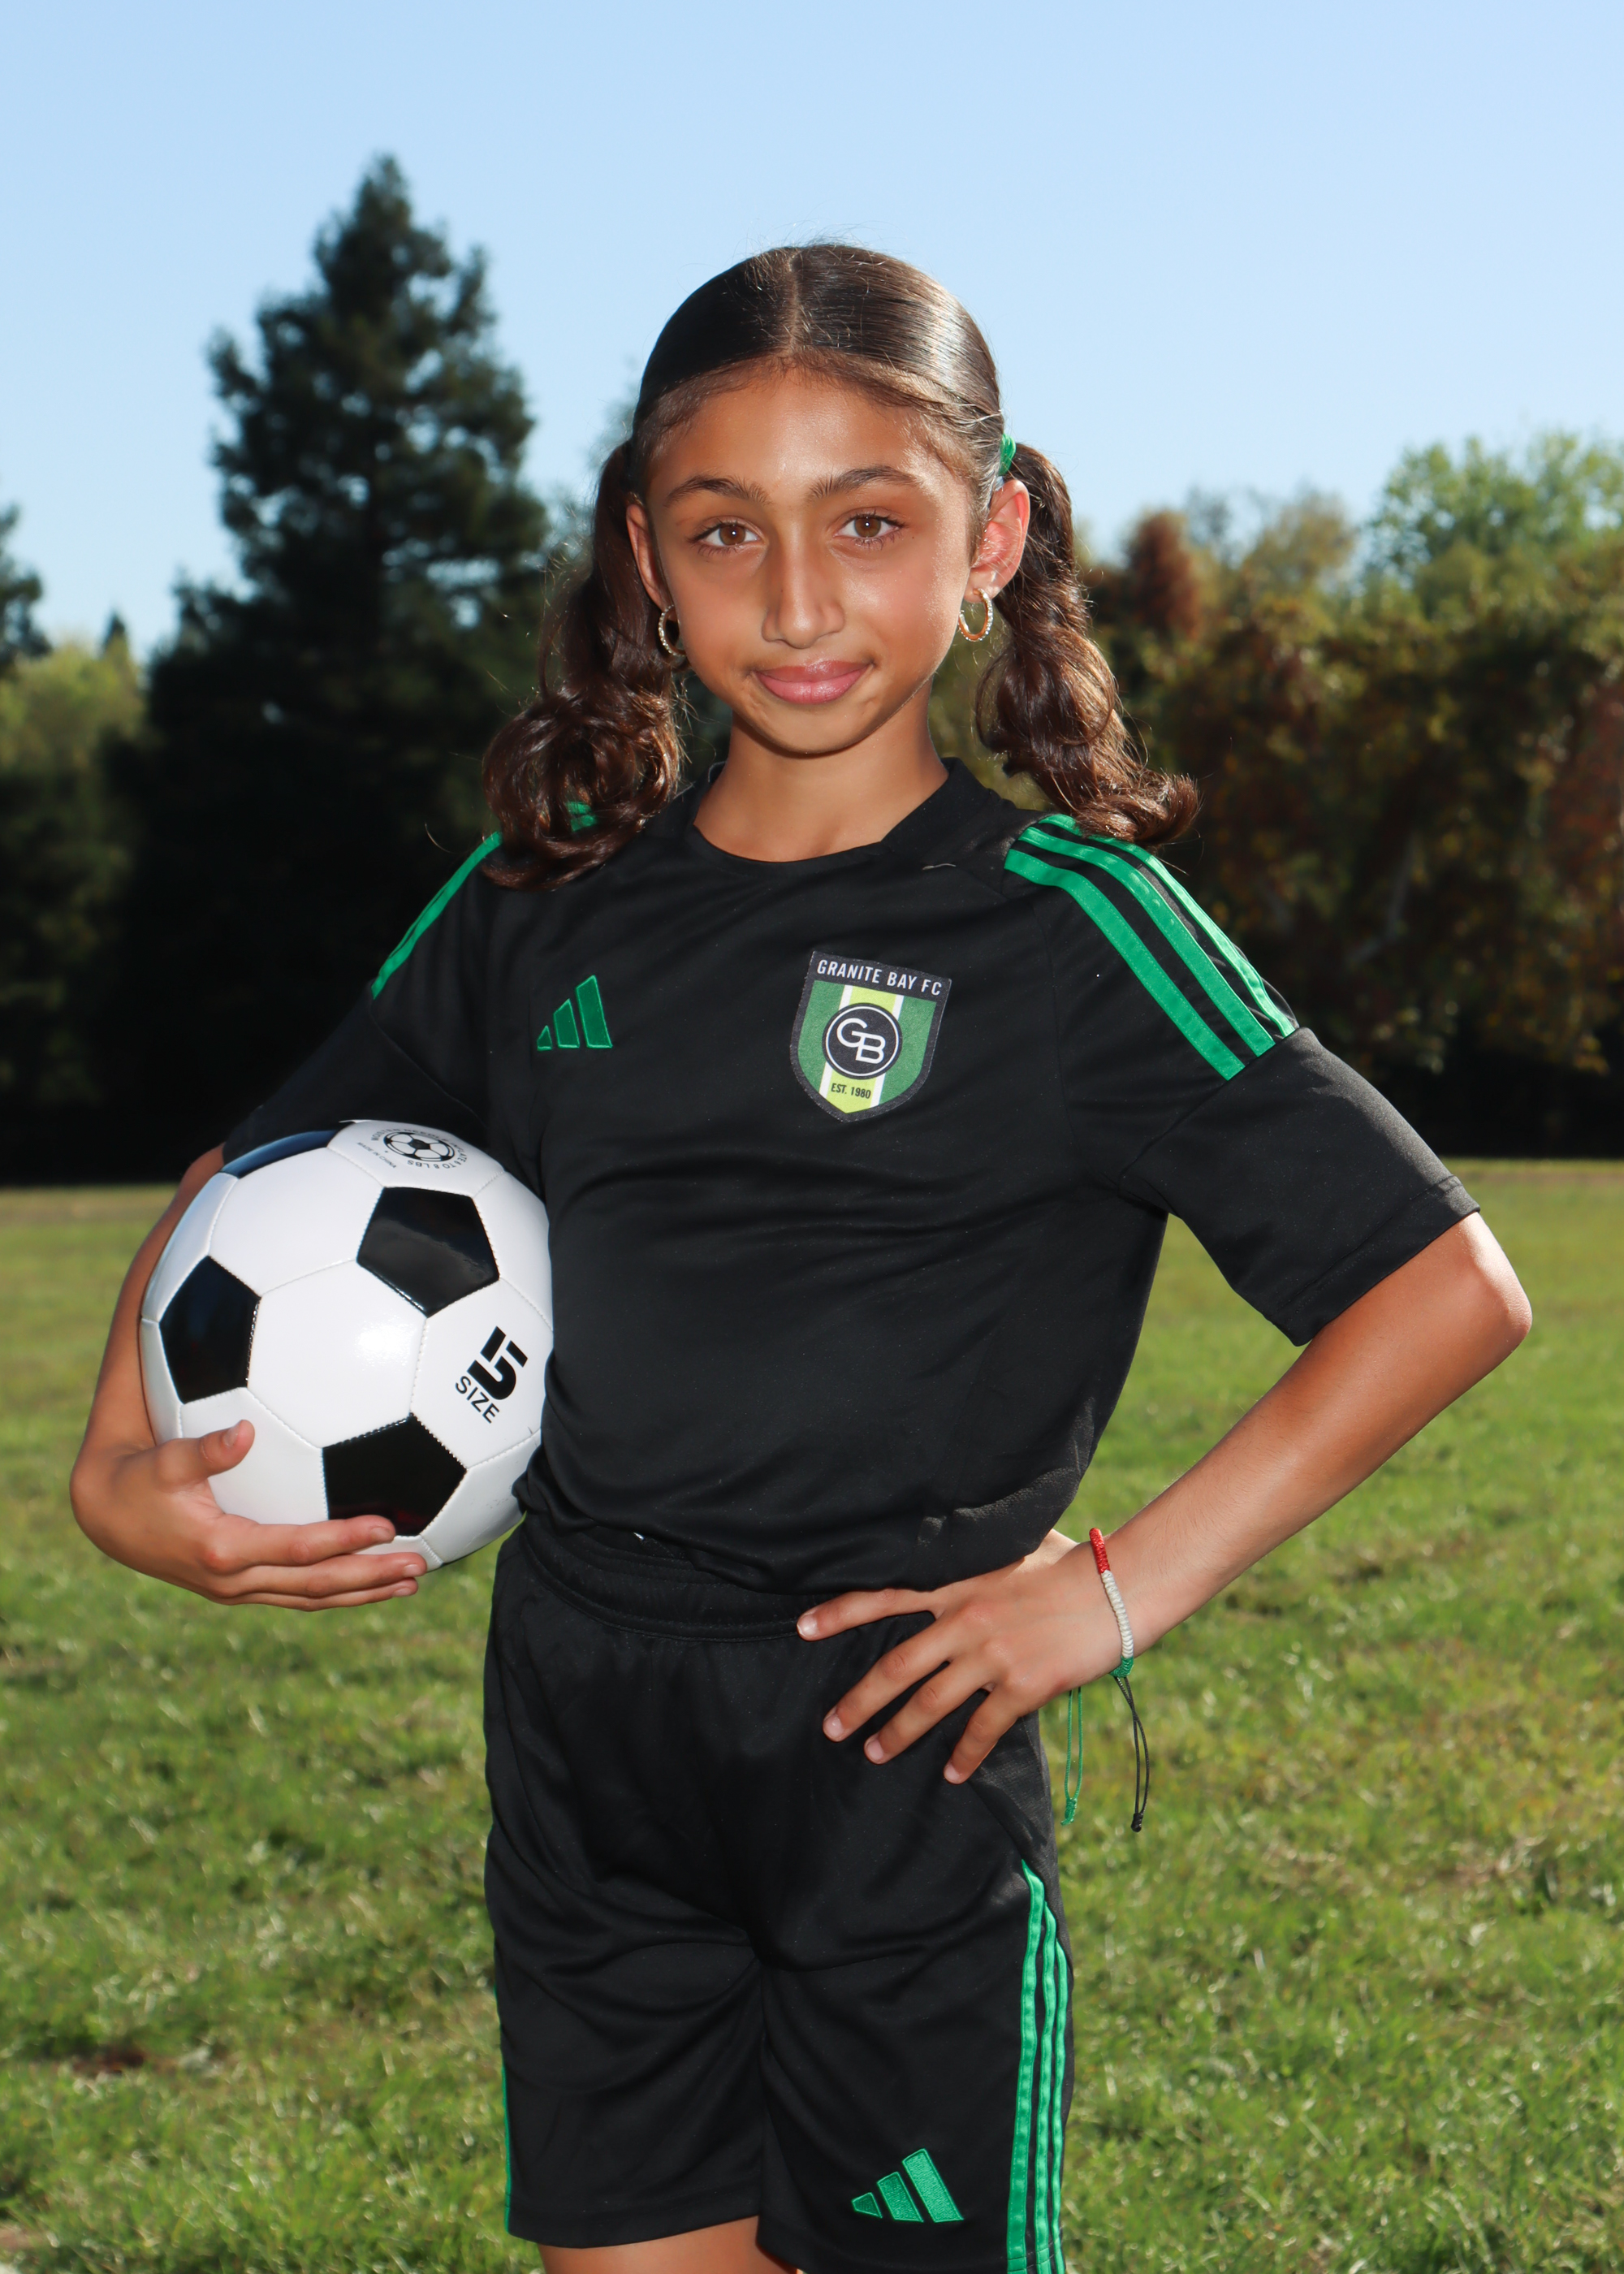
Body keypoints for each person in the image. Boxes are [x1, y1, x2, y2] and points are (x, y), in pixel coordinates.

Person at [71, 245, 1531, 2274]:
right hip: (585, 1728)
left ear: (990, 536)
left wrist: (1112, 1589)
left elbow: (1442, 1283)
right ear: (646, 561)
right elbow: (254, 1171)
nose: (796, 598)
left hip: (895, 1743)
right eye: (723, 530)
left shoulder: (1068, 925)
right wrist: (111, 1465)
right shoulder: (543, 901)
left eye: (867, 522)